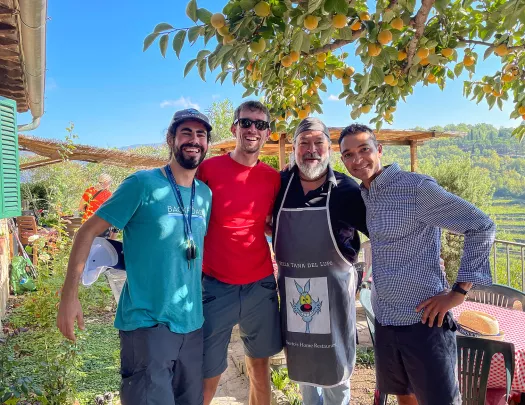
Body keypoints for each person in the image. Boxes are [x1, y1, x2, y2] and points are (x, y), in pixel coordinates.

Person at [57, 108, 213, 405]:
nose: (194, 140)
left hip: (192, 325)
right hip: (147, 326)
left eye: (201, 134)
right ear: (170, 138)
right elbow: (86, 232)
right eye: (186, 133)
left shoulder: (204, 194)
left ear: (207, 143)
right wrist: (69, 296)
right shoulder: (142, 184)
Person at [339, 124, 496, 405]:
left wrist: (458, 293)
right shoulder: (366, 195)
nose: (357, 159)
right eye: (348, 154)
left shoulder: (415, 188)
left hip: (424, 322)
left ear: (380, 150)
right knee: (404, 398)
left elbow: (482, 225)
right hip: (387, 321)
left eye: (364, 149)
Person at [272, 118, 367, 405]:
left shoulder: (347, 190)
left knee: (336, 375)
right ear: (294, 149)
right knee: (303, 370)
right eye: (304, 143)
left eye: (318, 143)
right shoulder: (278, 185)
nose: (311, 150)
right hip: (293, 294)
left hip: (334, 297)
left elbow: (383, 232)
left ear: (329, 149)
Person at [197, 100, 282, 405]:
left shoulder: (273, 178)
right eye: (246, 122)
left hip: (260, 285)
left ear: (268, 133)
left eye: (260, 124)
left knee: (260, 368)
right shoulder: (208, 169)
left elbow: (272, 222)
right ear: (234, 128)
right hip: (215, 284)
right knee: (207, 372)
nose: (252, 129)